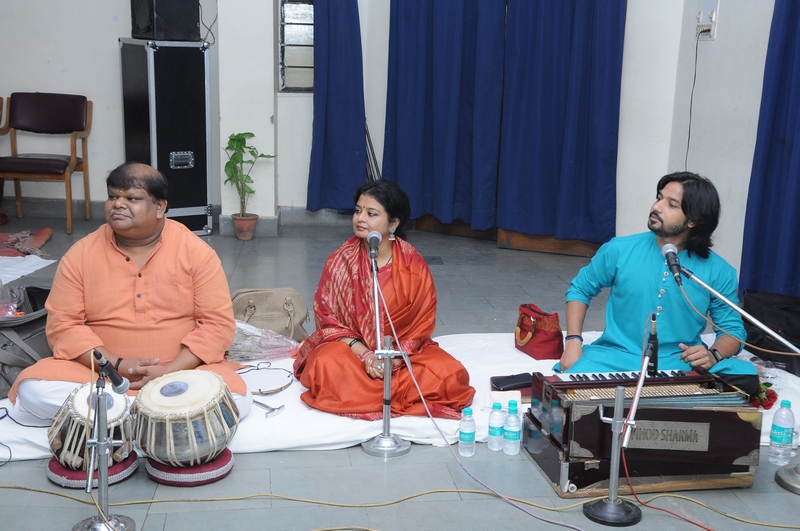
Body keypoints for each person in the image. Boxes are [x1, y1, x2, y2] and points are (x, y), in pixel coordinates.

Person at [9, 162, 252, 419]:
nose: (118, 204)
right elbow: (63, 326)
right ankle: (153, 415)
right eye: (112, 196)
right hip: (100, 374)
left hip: (182, 373)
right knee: (33, 390)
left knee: (238, 399)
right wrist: (116, 365)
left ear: (160, 207)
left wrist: (169, 371)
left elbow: (216, 325)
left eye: (132, 198)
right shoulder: (81, 254)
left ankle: (116, 415)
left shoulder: (195, 252)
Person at [293, 179, 475, 420]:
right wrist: (366, 356)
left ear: (394, 223)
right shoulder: (340, 261)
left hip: (402, 357)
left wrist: (393, 359)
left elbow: (421, 325)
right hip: (352, 354)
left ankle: (365, 395)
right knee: (325, 365)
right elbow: (329, 322)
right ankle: (391, 395)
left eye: (371, 213)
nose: (360, 219)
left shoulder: (413, 265)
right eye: (358, 211)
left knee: (450, 375)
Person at [559, 172, 757, 386]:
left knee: (745, 377)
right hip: (615, 357)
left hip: (679, 361)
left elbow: (732, 330)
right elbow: (580, 289)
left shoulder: (718, 270)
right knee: (572, 383)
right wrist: (573, 341)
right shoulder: (620, 249)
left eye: (671, 205)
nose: (657, 207)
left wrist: (713, 355)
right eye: (659, 198)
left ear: (692, 220)